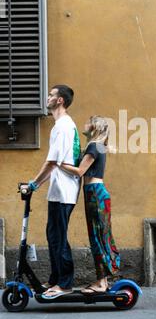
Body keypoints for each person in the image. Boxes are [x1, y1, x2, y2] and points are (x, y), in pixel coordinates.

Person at [23, 85, 81, 299]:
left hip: (64, 191)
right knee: (53, 235)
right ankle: (56, 279)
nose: (47, 98)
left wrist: (34, 185)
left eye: (51, 95)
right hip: (59, 191)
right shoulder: (60, 125)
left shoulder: (64, 126)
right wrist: (37, 185)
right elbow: (54, 165)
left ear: (60, 101)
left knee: (59, 236)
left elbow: (52, 162)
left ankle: (65, 283)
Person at [60, 115, 120, 293]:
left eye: (88, 122)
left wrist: (58, 162)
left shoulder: (94, 146)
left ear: (94, 127)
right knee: (100, 236)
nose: (84, 124)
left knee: (97, 237)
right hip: (96, 193)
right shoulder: (97, 145)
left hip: (94, 193)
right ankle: (103, 280)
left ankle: (102, 283)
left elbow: (79, 171)